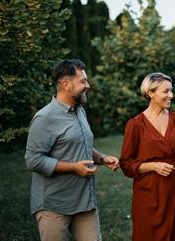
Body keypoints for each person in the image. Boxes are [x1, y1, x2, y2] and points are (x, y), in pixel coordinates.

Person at [25, 59, 120, 241]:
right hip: (54, 205)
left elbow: (80, 144)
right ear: (66, 84)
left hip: (85, 202)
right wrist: (73, 167)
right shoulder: (45, 118)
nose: (88, 86)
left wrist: (102, 158)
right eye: (83, 81)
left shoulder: (79, 111)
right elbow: (33, 159)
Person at [119, 72, 175, 241]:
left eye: (171, 91)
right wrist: (153, 166)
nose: (171, 95)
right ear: (150, 93)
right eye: (166, 91)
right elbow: (125, 163)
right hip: (148, 192)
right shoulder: (135, 124)